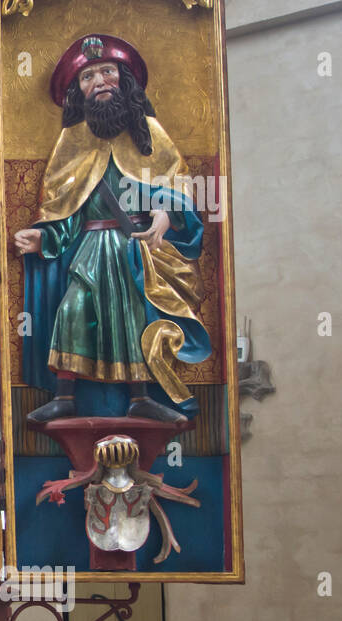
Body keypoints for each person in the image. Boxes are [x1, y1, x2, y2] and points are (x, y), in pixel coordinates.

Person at [14, 34, 210, 424]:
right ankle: (66, 394)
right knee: (73, 307)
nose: (99, 81)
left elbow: (178, 186)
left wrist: (163, 216)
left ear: (124, 79)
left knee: (133, 314)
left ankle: (140, 397)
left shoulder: (149, 133)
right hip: (90, 244)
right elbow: (65, 207)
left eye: (107, 71)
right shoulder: (71, 142)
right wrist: (44, 236)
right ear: (77, 92)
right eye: (87, 77)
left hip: (136, 246)